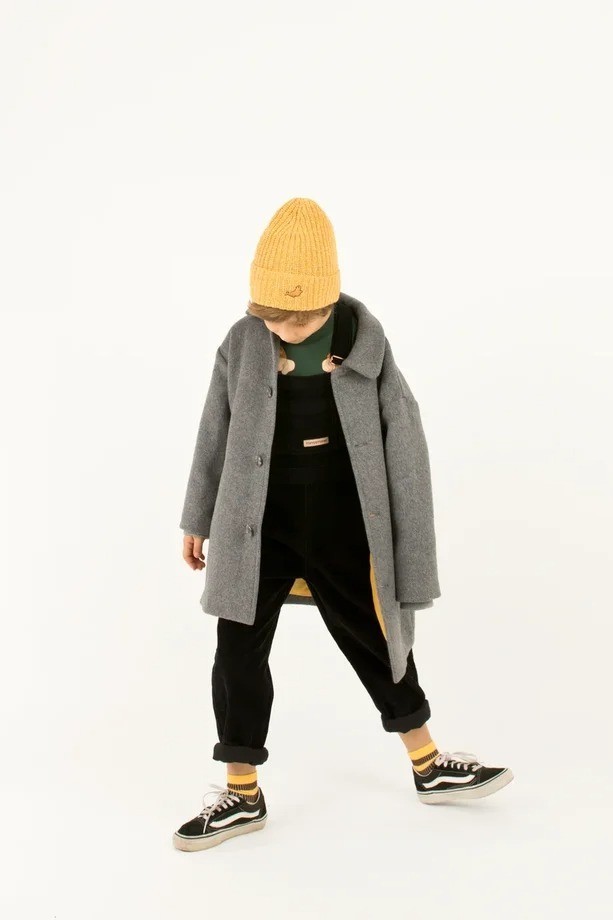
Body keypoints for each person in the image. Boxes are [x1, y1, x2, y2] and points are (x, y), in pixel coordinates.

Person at [172, 198, 513, 852]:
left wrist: (411, 541)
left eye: (300, 317)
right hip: (256, 521)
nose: (286, 328)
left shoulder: (365, 343)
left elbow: (404, 441)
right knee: (236, 649)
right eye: (273, 316)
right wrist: (197, 514)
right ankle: (241, 792)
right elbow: (214, 427)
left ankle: (428, 763)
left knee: (377, 636)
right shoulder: (241, 343)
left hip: (342, 518)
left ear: (329, 299)